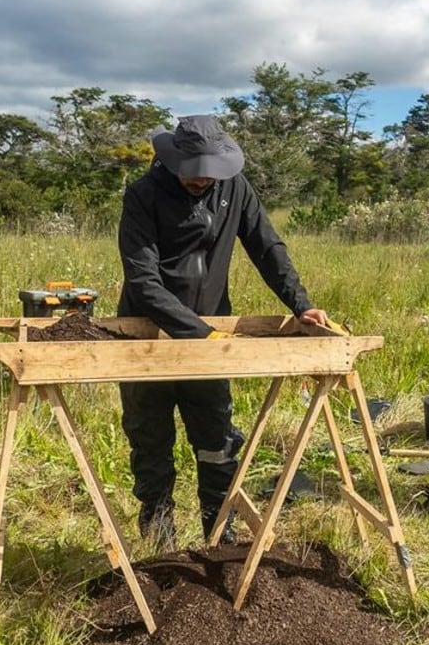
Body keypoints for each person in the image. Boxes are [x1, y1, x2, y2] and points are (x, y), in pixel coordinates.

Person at [117, 114, 334, 549]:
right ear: (174, 162)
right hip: (149, 337)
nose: (201, 182)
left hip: (211, 337)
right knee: (151, 442)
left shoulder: (234, 189)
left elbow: (267, 247)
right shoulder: (143, 195)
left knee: (216, 441)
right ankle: (160, 549)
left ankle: (220, 538)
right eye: (193, 176)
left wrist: (302, 304)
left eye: (209, 176)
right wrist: (199, 333)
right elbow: (144, 282)